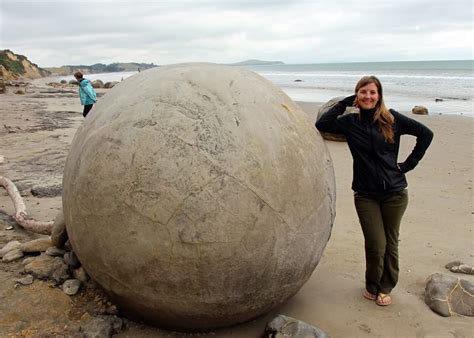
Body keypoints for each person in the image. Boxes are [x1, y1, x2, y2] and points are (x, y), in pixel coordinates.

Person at [315, 76, 433, 306]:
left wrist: (408, 165)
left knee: (390, 243)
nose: (368, 96)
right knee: (375, 244)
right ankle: (371, 285)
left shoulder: (392, 119)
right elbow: (322, 124)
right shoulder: (349, 122)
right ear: (357, 95)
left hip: (395, 193)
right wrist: (345, 101)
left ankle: (385, 287)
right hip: (365, 194)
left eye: (372, 92)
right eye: (363, 92)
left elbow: (426, 134)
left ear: (379, 96)